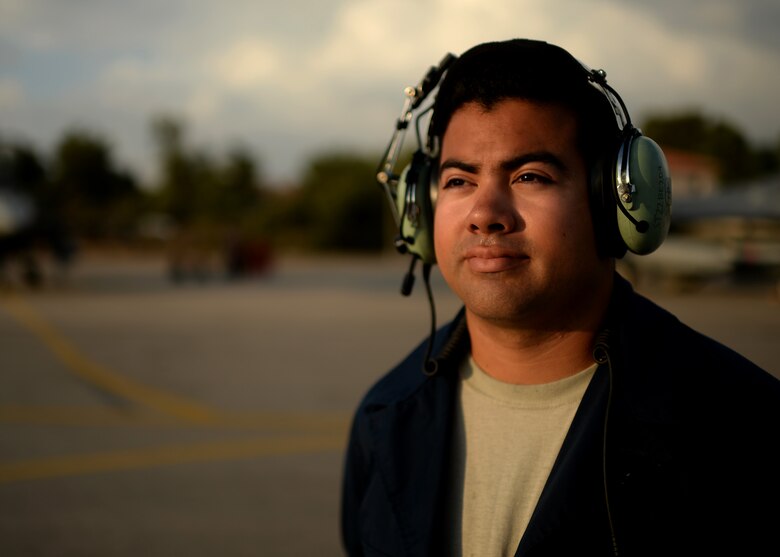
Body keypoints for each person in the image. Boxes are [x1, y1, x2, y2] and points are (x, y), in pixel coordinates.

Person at [340, 38, 780, 557]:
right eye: (459, 180)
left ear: (612, 201)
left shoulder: (744, 428)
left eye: (530, 176)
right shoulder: (385, 417)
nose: (485, 213)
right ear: (423, 208)